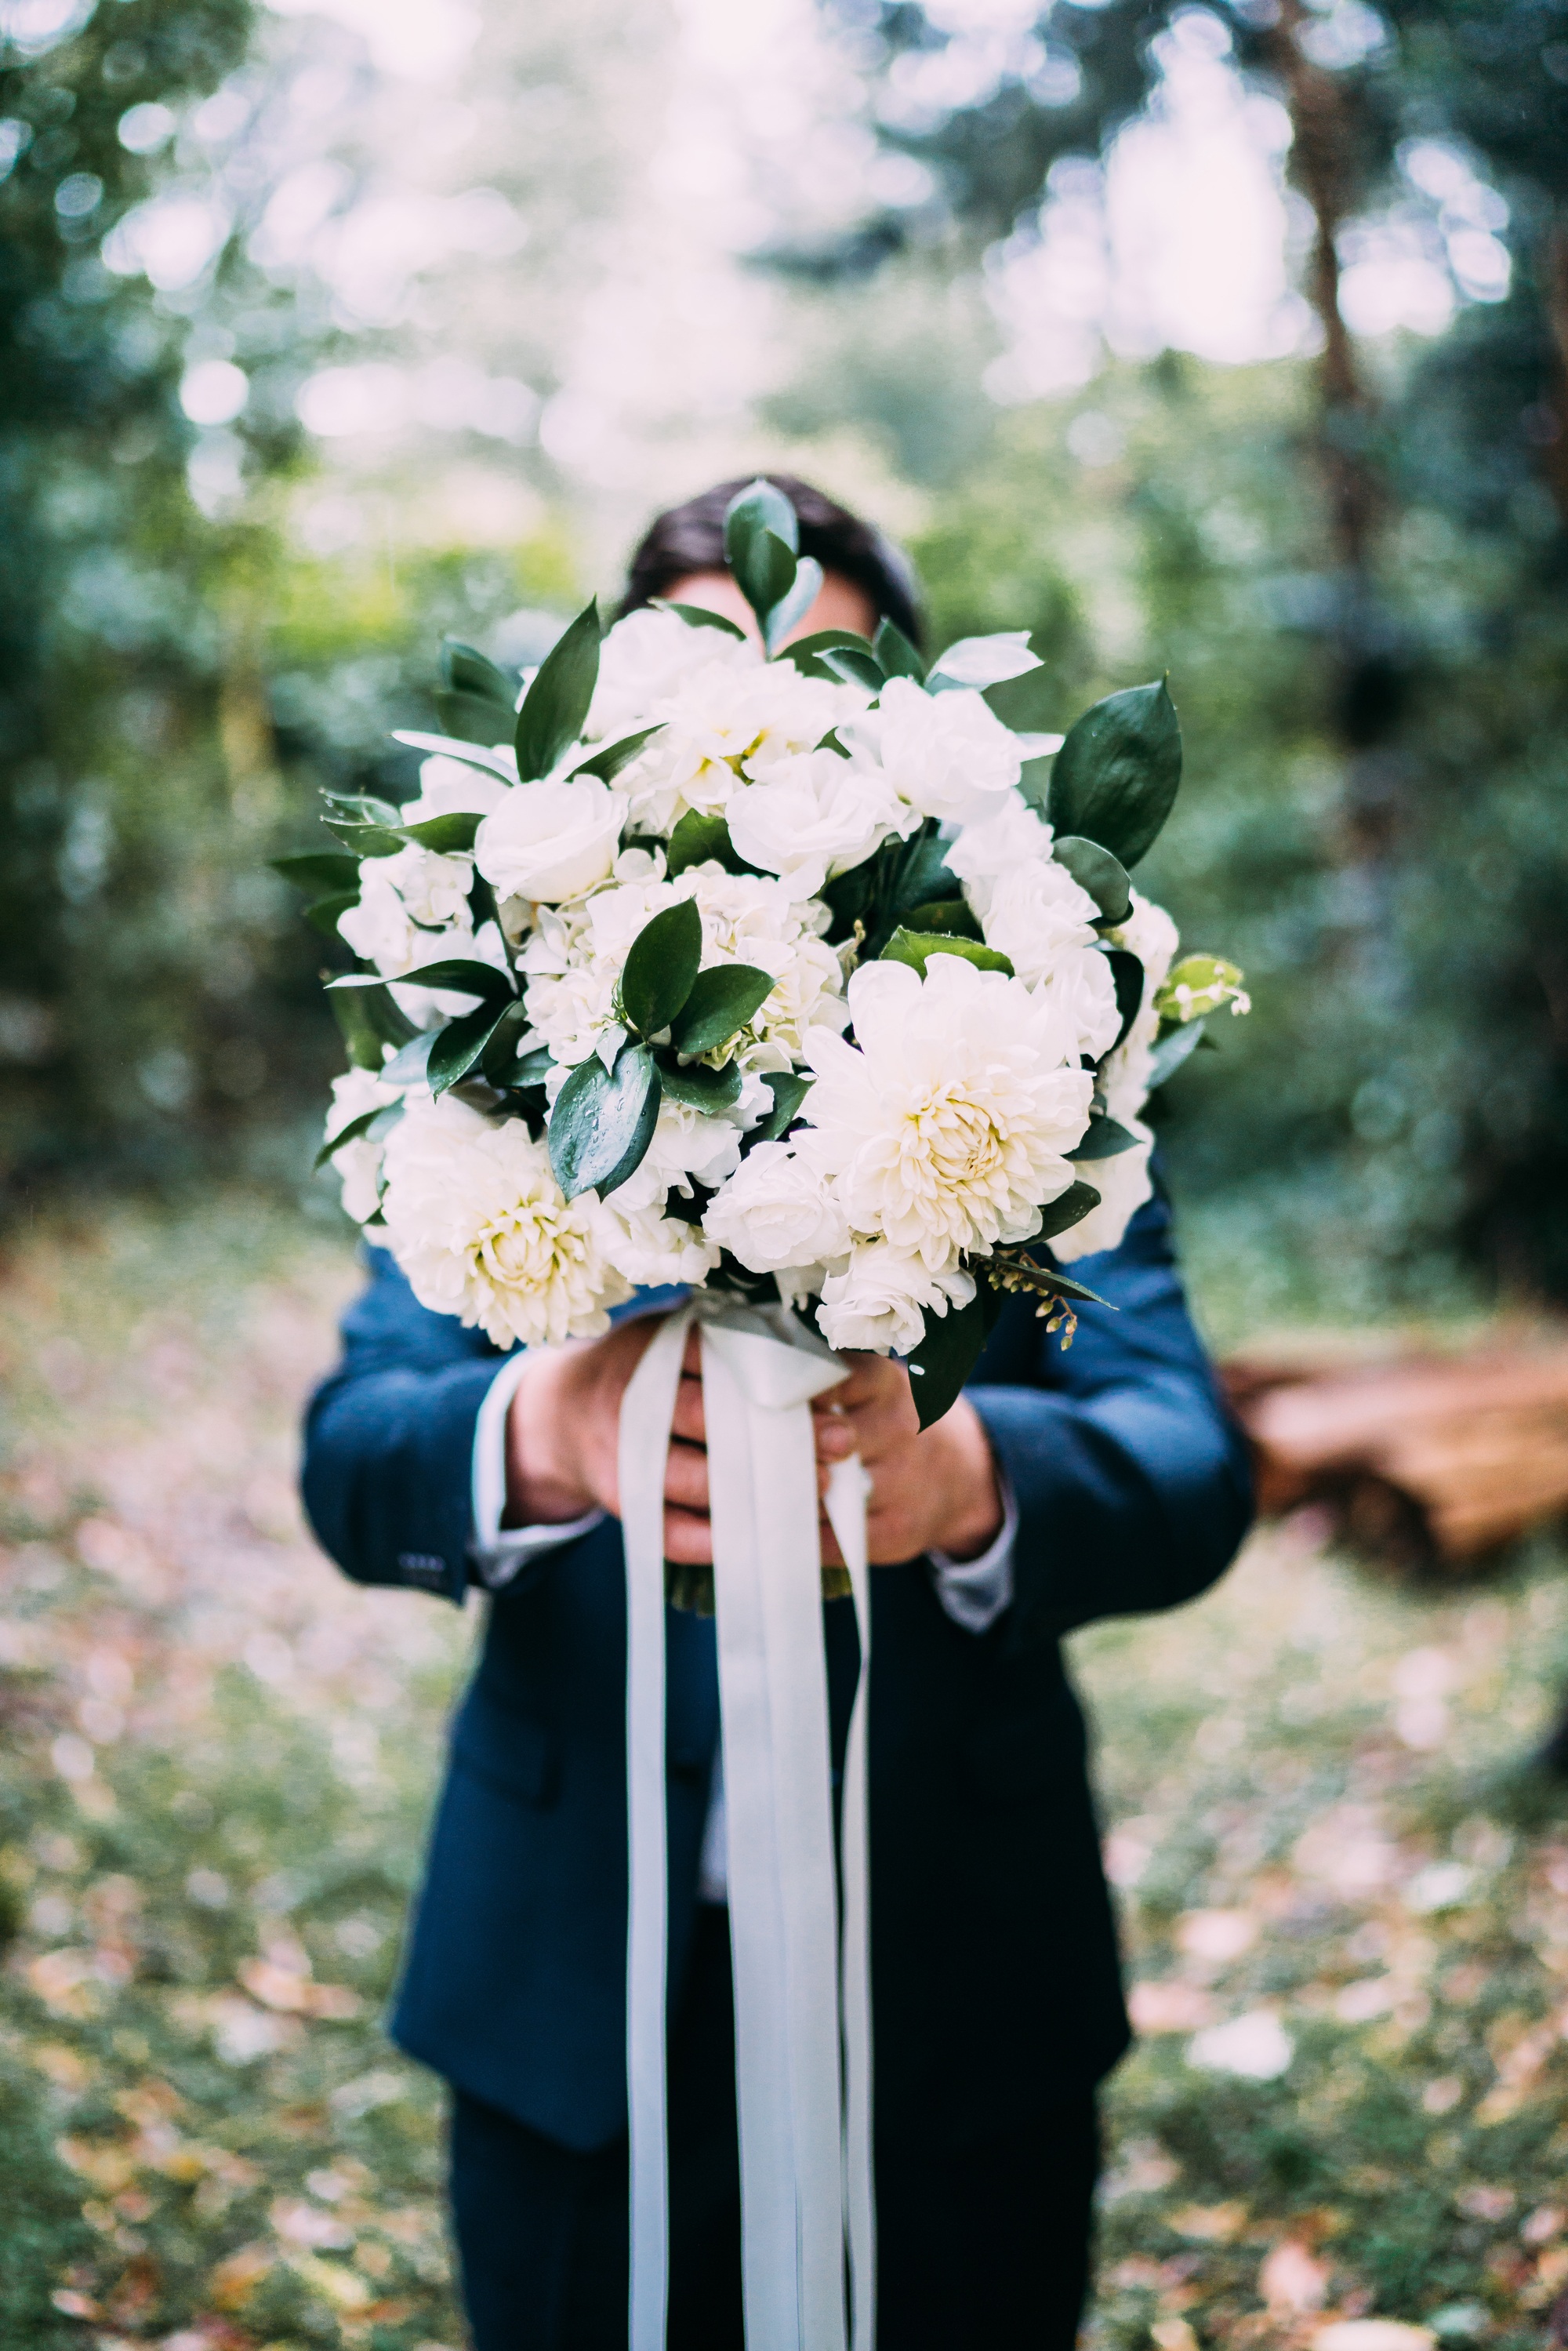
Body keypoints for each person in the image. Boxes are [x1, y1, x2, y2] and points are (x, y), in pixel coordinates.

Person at [302, 474, 1254, 2351]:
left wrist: (974, 1477)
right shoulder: (485, 1085)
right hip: (567, 1984)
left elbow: (1185, 1463)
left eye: (815, 693)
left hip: (962, 1990)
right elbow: (353, 1455)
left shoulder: (1051, 1077)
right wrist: (539, 1432)